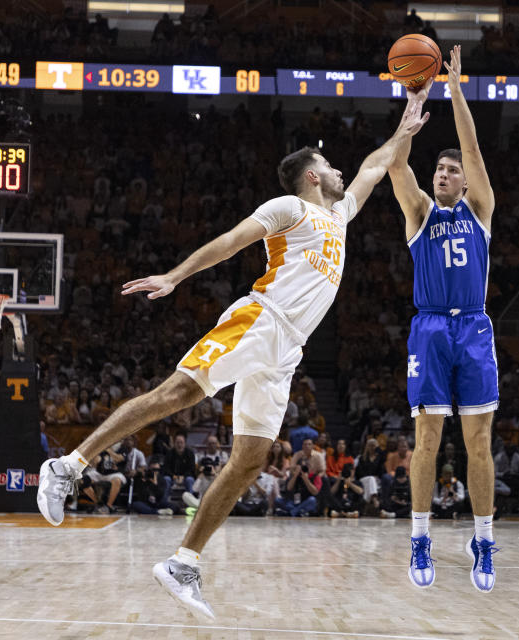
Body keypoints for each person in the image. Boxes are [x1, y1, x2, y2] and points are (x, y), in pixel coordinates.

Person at [37, 88, 432, 619]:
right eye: (329, 166)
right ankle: (67, 466)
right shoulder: (290, 207)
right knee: (175, 394)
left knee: (250, 459)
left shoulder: (339, 215)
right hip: (260, 321)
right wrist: (175, 276)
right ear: (311, 175)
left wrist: (406, 127)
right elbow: (231, 240)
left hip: (287, 350)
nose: (338, 170)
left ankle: (183, 562)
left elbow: (374, 167)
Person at [387, 45, 499, 591]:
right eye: (440, 168)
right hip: (430, 328)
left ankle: (483, 540)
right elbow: (395, 165)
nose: (444, 173)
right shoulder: (420, 213)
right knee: (426, 440)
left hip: (474, 327)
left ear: (465, 182)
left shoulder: (479, 212)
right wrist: (411, 114)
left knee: (479, 442)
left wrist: (454, 89)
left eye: (451, 170)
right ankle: (420, 536)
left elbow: (474, 148)